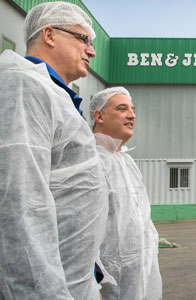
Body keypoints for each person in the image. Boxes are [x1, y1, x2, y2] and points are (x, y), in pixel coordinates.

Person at [0, 2, 108, 299]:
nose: (92, 51)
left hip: (74, 280)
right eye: (83, 39)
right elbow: (21, 205)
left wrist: (92, 275)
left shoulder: (54, 95)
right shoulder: (24, 86)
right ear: (49, 35)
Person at [89, 87, 162, 300]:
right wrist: (92, 283)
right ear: (99, 115)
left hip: (138, 279)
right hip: (104, 286)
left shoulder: (127, 162)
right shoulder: (88, 160)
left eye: (133, 109)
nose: (132, 115)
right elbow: (76, 230)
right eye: (122, 109)